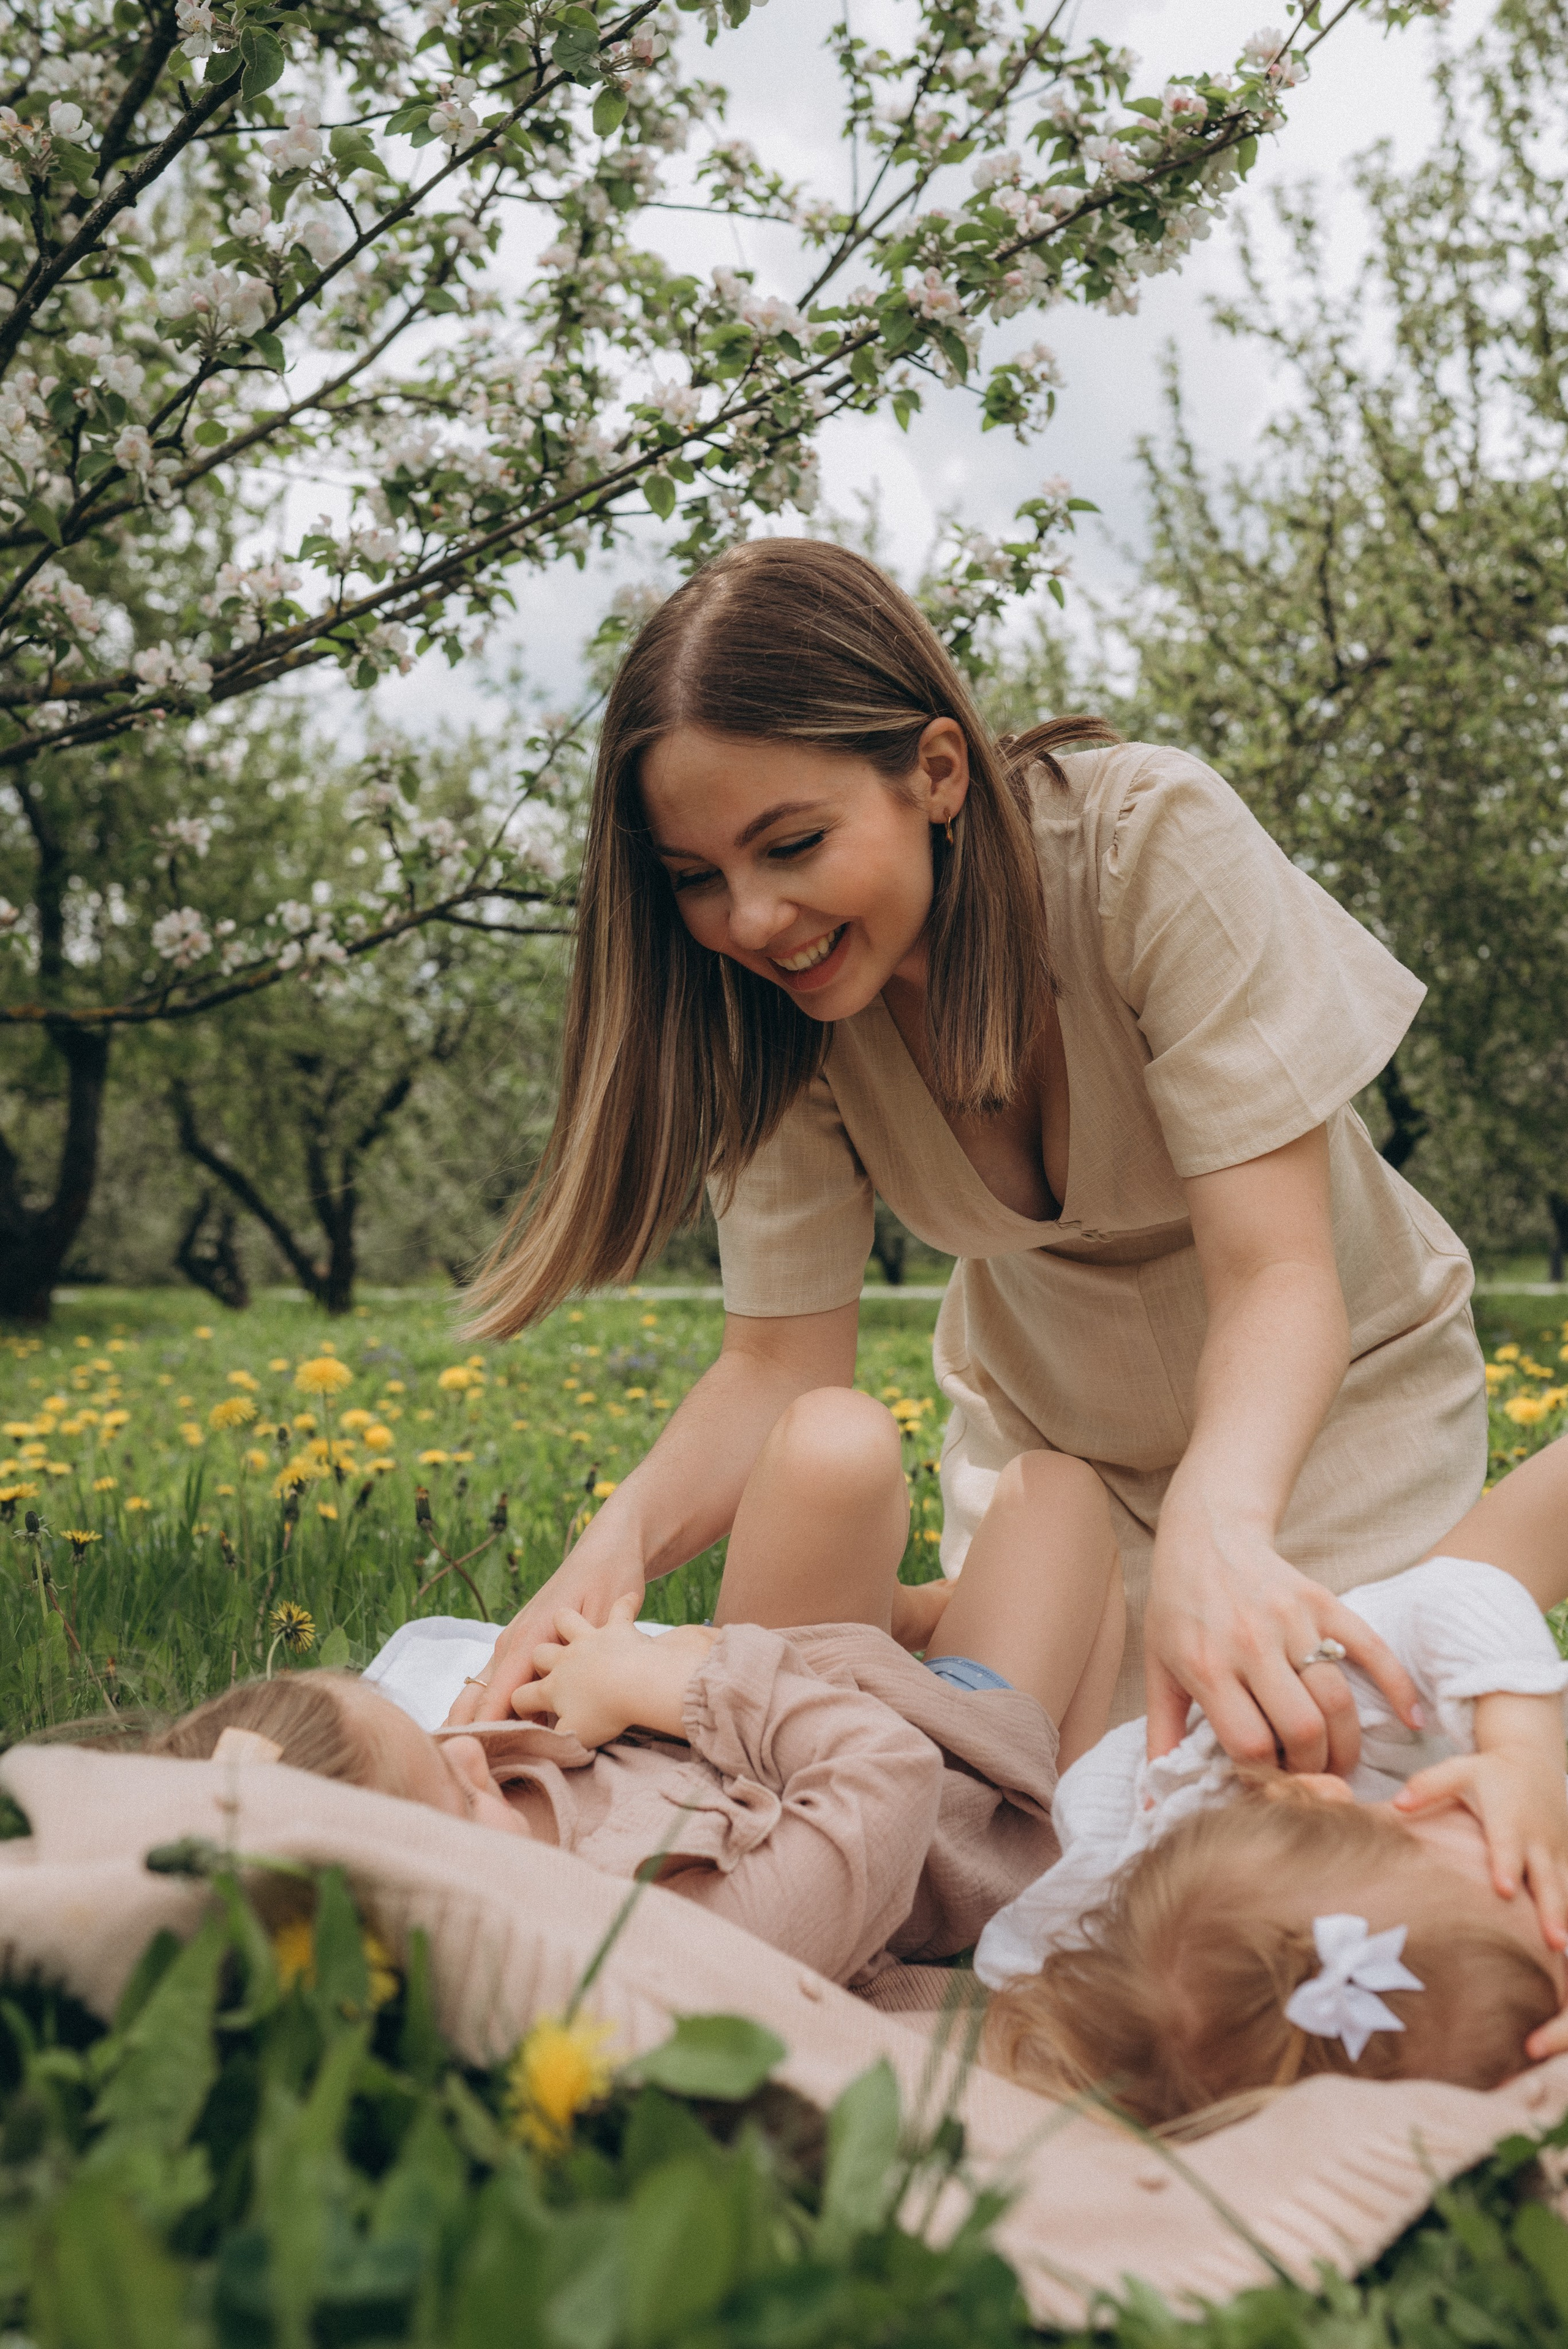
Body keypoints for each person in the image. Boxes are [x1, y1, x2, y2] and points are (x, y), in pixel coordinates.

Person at [450, 539, 1483, 1774]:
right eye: (695, 878)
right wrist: (607, 1555)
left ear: (935, 772)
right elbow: (779, 1363)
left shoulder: (1148, 845)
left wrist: (1219, 1529)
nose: (752, 919)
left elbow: (1275, 1272)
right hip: (1051, 1468)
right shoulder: (776, 1014)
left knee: (1317, 1787)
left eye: (791, 844)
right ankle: (922, 1631)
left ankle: (913, 1629)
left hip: (1320, 1424)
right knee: (1047, 1805)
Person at [153, 1392, 1121, 1989]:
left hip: (787, 1665)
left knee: (834, 1432)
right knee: (1060, 1492)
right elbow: (888, 1773)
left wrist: (567, 1681)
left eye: (433, 1743)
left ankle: (907, 1611)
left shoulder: (484, 1815)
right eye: (453, 1789)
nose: (468, 1755)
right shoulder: (662, 1937)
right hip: (945, 1753)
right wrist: (679, 1677)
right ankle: (1073, 1810)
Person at [977, 1437, 1568, 2126]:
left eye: (1527, 1873)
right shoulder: (1262, 2008)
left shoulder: (1312, 1745)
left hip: (1149, 1765)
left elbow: (1459, 1593)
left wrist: (1522, 1752)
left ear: (1325, 1795)